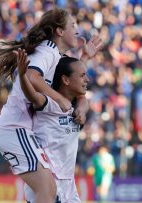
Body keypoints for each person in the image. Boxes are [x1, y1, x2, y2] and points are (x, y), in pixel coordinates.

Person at [0, 8, 103, 203]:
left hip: (23, 130)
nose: (76, 30)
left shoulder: (54, 55)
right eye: (72, 25)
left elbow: (72, 81)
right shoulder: (47, 50)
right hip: (15, 128)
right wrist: (58, 99)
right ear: (59, 31)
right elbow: (33, 77)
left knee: (48, 190)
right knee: (47, 187)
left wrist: (84, 58)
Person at [16, 48, 89, 203]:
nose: (86, 80)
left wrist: (86, 57)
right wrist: (23, 76)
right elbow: (32, 95)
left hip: (68, 184)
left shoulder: (76, 105)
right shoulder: (48, 104)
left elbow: (83, 98)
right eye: (82, 76)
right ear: (66, 80)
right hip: (47, 181)